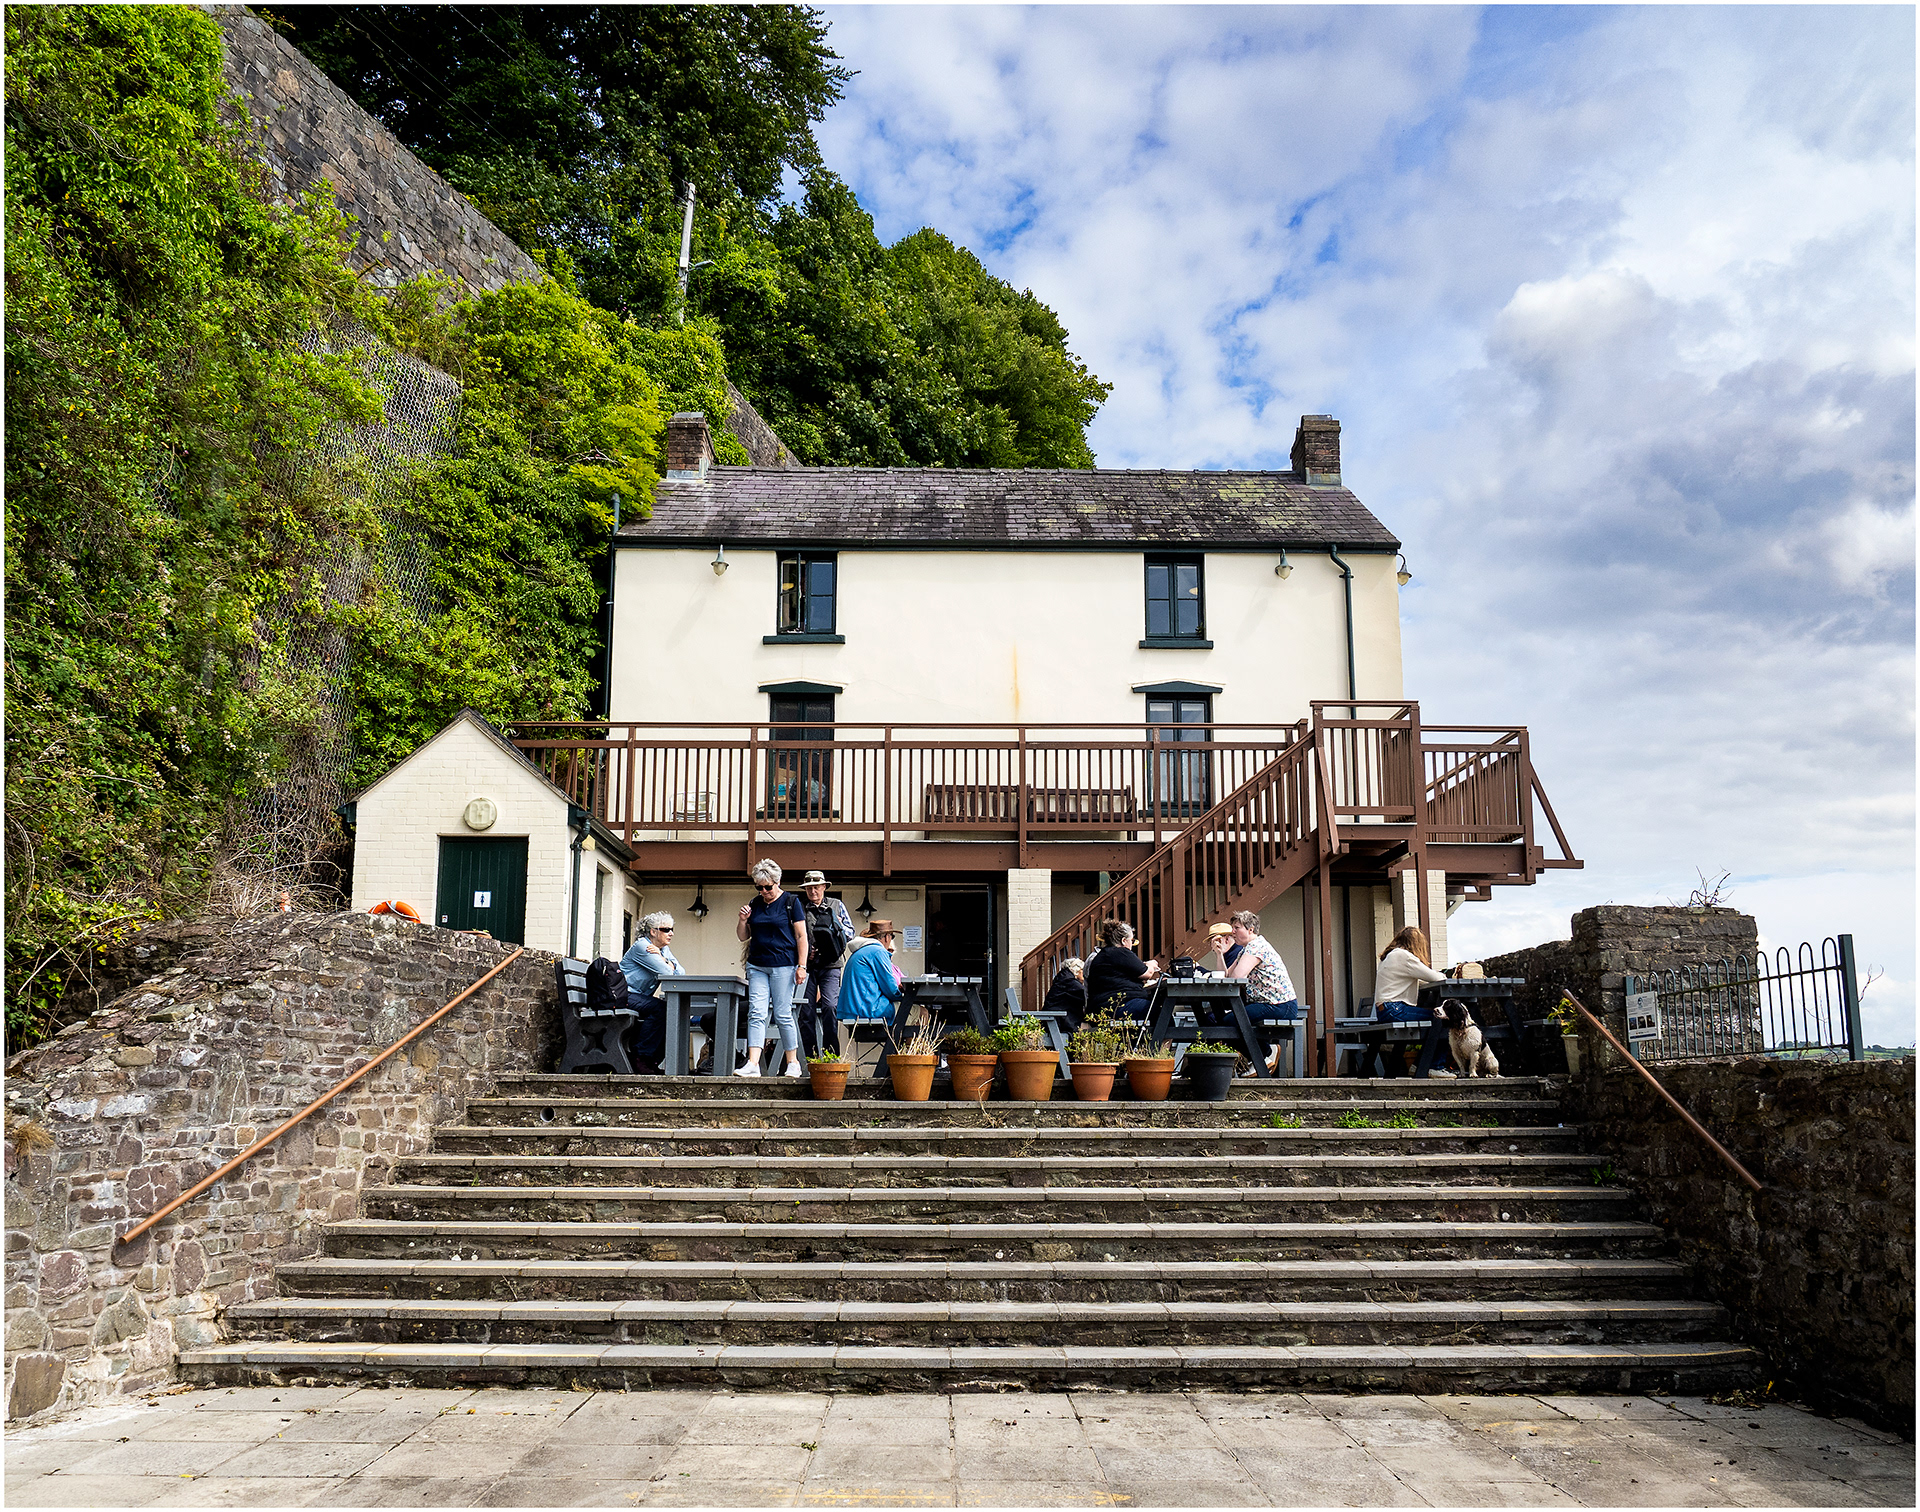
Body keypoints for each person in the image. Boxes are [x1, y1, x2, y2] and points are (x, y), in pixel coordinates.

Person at [735, 859, 807, 1077]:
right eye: (759, 887)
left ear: (778, 882)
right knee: (756, 1012)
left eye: (768, 887)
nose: (764, 891)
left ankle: (793, 1062)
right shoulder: (755, 903)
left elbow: (801, 936)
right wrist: (742, 920)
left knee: (783, 1013)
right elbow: (743, 936)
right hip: (757, 964)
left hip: (783, 964)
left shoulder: (791, 902)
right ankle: (753, 1063)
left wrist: (802, 966)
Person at [796, 870, 857, 1058]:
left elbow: (851, 933)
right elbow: (795, 936)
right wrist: (806, 953)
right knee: (805, 1011)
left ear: (824, 887)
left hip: (831, 964)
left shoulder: (837, 905)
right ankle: (811, 1057)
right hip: (808, 966)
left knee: (830, 1007)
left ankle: (831, 1056)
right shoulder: (800, 908)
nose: (813, 891)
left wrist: (837, 927)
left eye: (816, 887)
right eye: (809, 888)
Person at [616, 912, 682, 1074]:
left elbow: (681, 973)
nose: (671, 933)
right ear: (653, 931)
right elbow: (667, 973)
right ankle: (641, 1057)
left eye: (672, 929)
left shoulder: (662, 950)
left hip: (637, 997)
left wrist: (663, 958)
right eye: (666, 930)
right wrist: (667, 963)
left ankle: (651, 1061)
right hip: (623, 995)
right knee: (661, 1008)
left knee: (669, 1008)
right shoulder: (643, 947)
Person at [838, 918, 907, 1069]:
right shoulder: (878, 951)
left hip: (853, 1010)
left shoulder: (860, 952)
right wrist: (904, 998)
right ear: (886, 937)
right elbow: (891, 989)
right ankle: (909, 1065)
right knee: (920, 1013)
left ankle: (902, 1063)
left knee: (908, 1013)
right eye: (891, 936)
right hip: (868, 1010)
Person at [1083, 919, 1158, 1020]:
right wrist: (1151, 964)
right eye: (1131, 940)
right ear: (1123, 941)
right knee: (1160, 1013)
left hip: (1102, 1008)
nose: (1131, 945)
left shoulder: (1103, 955)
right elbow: (1147, 973)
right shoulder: (1121, 952)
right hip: (1116, 1007)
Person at [1375, 925, 1447, 1022]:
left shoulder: (1389, 955)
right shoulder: (1405, 956)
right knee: (1439, 1017)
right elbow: (1436, 978)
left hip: (1383, 1011)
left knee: (1433, 1014)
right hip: (1395, 1009)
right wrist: (1444, 975)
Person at [1041, 956, 1088, 1031]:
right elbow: (1086, 995)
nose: (1084, 973)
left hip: (1055, 1019)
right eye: (1082, 970)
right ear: (1076, 970)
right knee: (1092, 1028)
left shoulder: (1063, 978)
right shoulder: (1070, 982)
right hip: (1059, 1021)